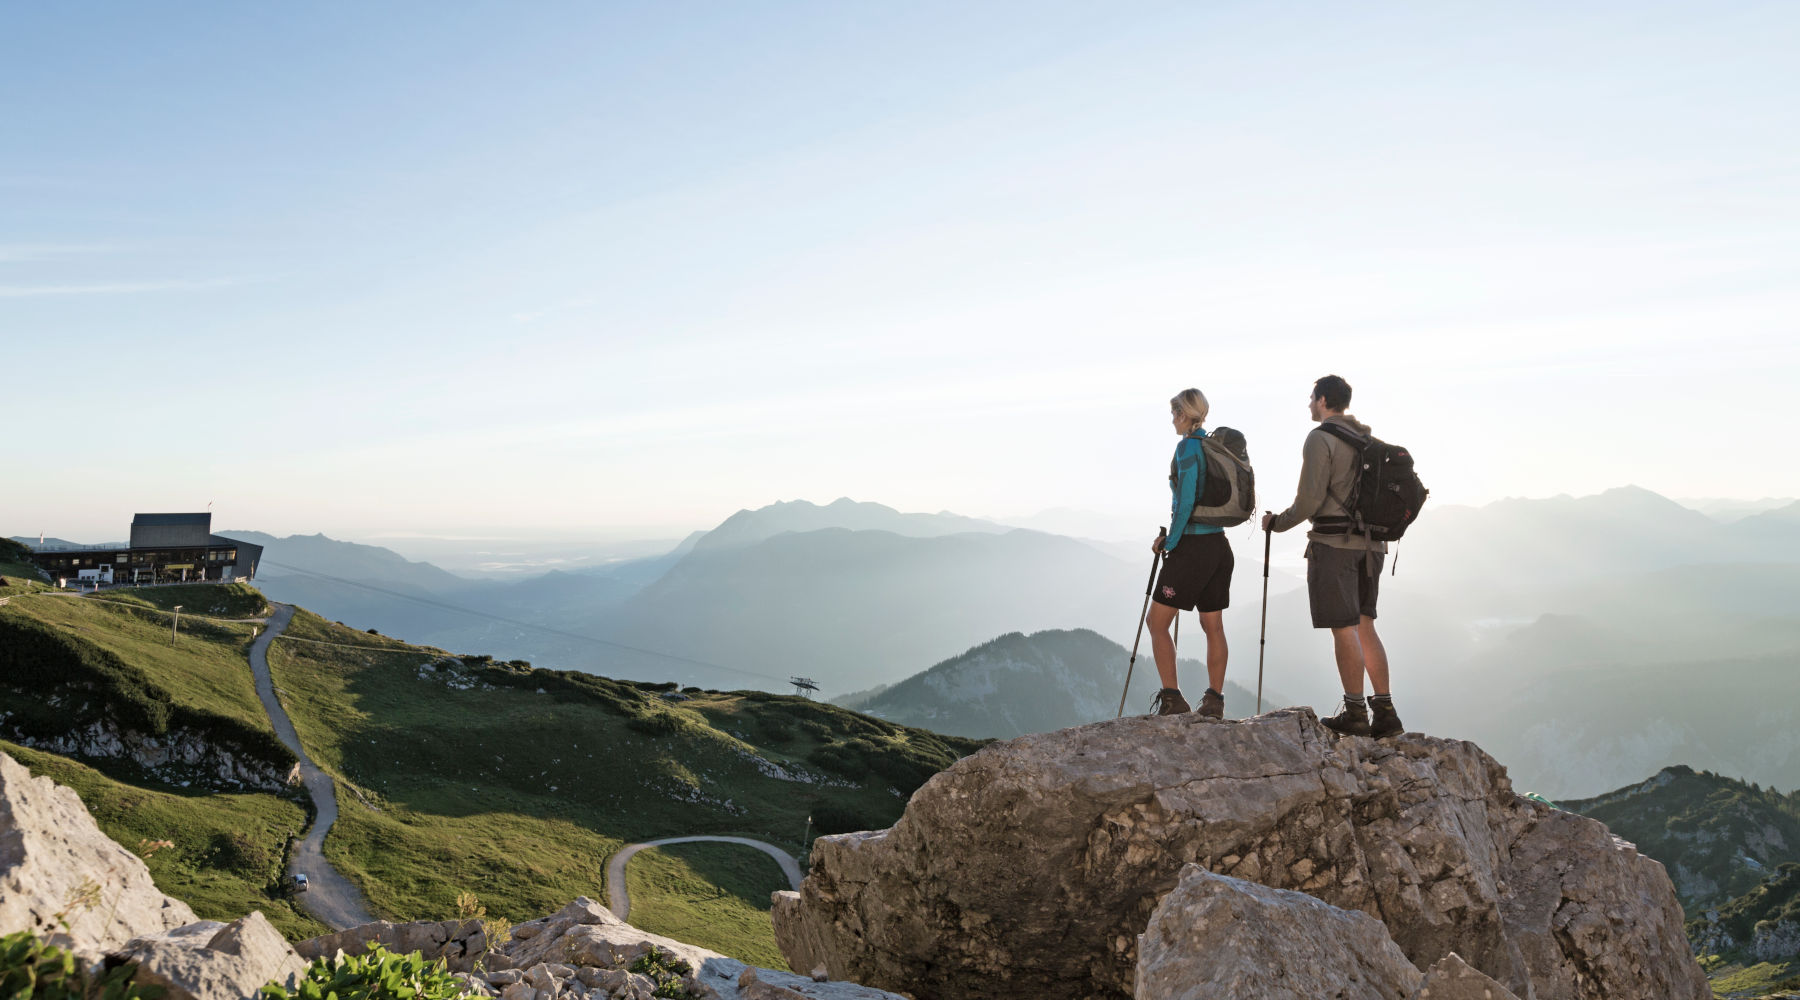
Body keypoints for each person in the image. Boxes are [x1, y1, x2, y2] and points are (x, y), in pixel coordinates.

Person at [1261, 375, 1404, 738]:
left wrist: (1276, 523)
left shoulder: (1320, 438)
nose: (1309, 404)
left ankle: (1356, 712)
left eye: (1312, 398)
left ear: (1324, 400)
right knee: (1366, 626)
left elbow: (1309, 500)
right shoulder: (1367, 440)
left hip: (1335, 546)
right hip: (1373, 546)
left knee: (1344, 630)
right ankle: (1385, 712)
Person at [1146, 388, 1233, 718]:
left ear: (1184, 414)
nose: (1172, 419)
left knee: (1156, 623)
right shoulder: (1215, 447)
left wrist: (1169, 542)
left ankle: (1173, 699)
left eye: (1174, 413)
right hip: (1219, 547)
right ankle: (1214, 701)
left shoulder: (1187, 449)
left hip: (1193, 548)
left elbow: (1184, 504)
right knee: (1213, 626)